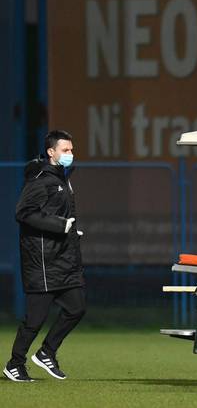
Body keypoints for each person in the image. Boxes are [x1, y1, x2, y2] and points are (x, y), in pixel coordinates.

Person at [3, 130, 86, 382]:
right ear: (51, 152)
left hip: (63, 259)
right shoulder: (40, 179)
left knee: (77, 308)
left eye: (71, 150)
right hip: (42, 262)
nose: (70, 154)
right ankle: (15, 364)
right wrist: (60, 225)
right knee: (34, 319)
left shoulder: (62, 177)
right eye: (65, 150)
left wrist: (72, 230)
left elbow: (62, 213)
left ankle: (46, 352)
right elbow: (24, 213)